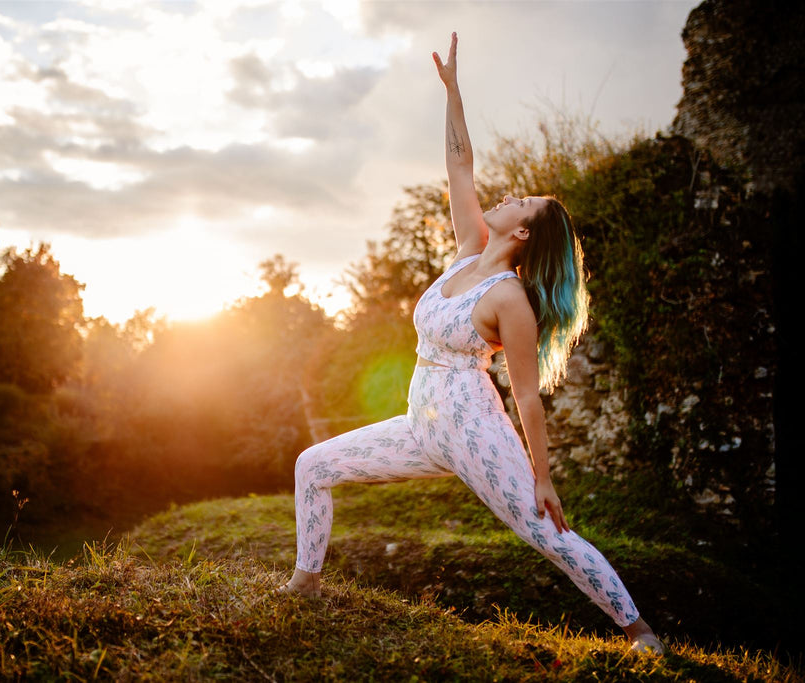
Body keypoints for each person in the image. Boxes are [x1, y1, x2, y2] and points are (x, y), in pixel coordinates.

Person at [278, 33, 665, 656]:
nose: (512, 196)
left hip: (475, 431)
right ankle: (306, 584)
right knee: (313, 465)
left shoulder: (509, 299)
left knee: (549, 535)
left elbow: (528, 398)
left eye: (524, 202)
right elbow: (461, 164)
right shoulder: (466, 251)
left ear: (521, 232)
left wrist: (543, 477)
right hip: (421, 423)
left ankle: (641, 633)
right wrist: (453, 92)